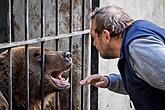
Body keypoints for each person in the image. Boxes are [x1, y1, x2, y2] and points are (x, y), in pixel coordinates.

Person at [80, 5, 165, 110]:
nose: (94, 43)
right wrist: (110, 81)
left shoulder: (138, 48)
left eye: (94, 37)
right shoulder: (138, 32)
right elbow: (144, 79)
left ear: (106, 36)